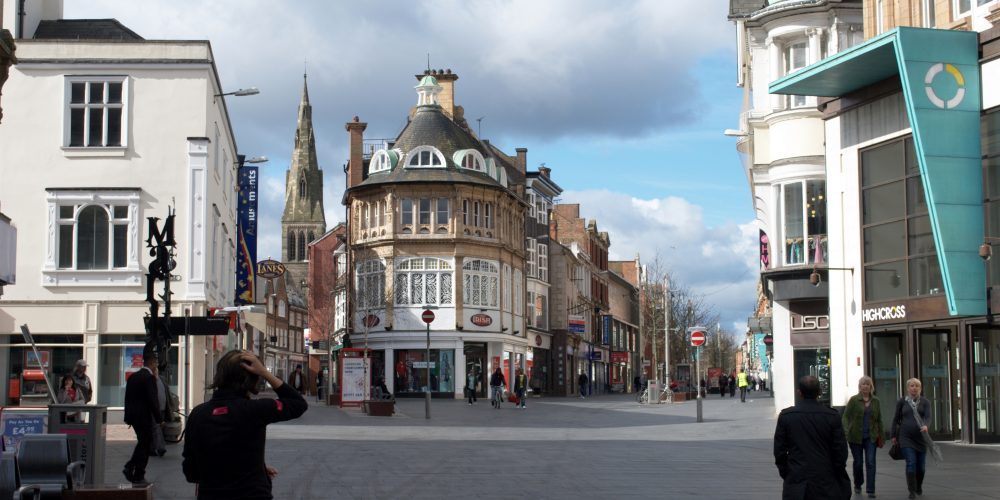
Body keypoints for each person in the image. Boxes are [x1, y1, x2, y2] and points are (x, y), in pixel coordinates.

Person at [183, 350, 307, 499]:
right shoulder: (255, 410)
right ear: (252, 379)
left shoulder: (197, 415)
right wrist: (266, 373)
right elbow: (298, 404)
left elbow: (191, 472)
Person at [773, 375, 851, 500]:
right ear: (819, 392)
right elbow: (840, 451)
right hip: (826, 480)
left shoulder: (786, 416)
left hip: (797, 480)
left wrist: (787, 473)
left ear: (799, 393)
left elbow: (779, 451)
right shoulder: (832, 416)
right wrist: (836, 471)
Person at [123, 350, 163, 485]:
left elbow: (127, 398)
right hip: (144, 417)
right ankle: (139, 473)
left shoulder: (133, 377)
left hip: (133, 417)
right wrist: (159, 419)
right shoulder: (149, 378)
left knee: (142, 443)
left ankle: (131, 467)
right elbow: (153, 400)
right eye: (156, 363)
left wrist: (127, 416)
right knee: (145, 444)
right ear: (151, 363)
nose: (156, 366)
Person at [891, 378, 932, 499]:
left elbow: (928, 417)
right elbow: (895, 419)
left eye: (917, 386)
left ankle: (918, 485)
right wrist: (893, 435)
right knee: (911, 463)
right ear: (908, 388)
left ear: (920, 388)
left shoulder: (925, 402)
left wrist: (926, 426)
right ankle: (912, 491)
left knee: (921, 467)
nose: (914, 388)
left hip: (921, 438)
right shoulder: (902, 402)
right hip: (905, 437)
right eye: (912, 386)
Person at [842, 375, 883, 498]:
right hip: (855, 436)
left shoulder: (876, 401)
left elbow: (879, 419)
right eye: (863, 384)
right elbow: (845, 416)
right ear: (859, 387)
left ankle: (871, 489)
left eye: (867, 384)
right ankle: (858, 484)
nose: (865, 386)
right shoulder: (854, 400)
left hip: (871, 437)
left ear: (871, 387)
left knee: (871, 462)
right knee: (858, 463)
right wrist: (846, 431)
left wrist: (881, 435)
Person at [149, 365, 168, 458]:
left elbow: (166, 393)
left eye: (156, 369)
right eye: (153, 369)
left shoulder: (162, 379)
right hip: (153, 409)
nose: (155, 371)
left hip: (162, 408)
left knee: (157, 429)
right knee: (156, 428)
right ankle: (161, 448)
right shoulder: (149, 380)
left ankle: (152, 448)